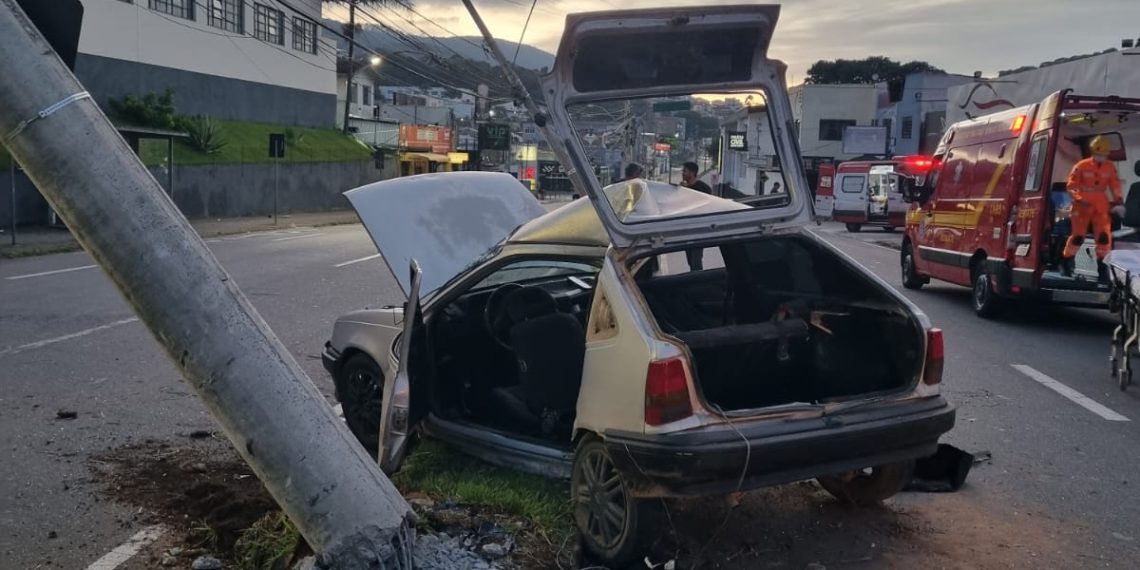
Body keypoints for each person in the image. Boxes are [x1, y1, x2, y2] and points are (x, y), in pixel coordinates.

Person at [1061, 135, 1123, 279]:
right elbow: (1071, 185)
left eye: (1103, 154)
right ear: (1093, 152)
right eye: (1098, 154)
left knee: (1103, 238)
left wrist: (1119, 200)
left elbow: (1115, 184)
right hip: (1081, 206)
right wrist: (1079, 198)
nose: (1101, 157)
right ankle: (1066, 261)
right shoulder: (1081, 166)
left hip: (1100, 206)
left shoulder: (1109, 167)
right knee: (1078, 237)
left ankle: (1102, 268)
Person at [680, 162, 711, 270]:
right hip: (686, 228)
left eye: (685, 171)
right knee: (690, 259)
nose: (682, 173)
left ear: (692, 173)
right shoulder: (682, 188)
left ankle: (698, 281)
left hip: (698, 229)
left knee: (696, 259)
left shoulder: (703, 188)